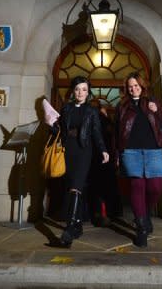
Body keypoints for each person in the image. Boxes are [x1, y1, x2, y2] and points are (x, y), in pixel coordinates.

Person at [50, 76, 109, 247]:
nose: (80, 92)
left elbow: (97, 132)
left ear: (88, 92)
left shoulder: (91, 111)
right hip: (68, 151)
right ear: (73, 91)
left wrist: (103, 150)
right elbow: (60, 130)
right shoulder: (66, 108)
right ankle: (77, 226)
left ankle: (68, 230)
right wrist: (51, 125)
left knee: (76, 186)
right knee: (72, 188)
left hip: (84, 151)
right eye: (77, 89)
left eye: (84, 89)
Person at [114, 72, 162, 247]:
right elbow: (116, 133)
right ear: (127, 89)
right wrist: (116, 154)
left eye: (136, 85)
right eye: (130, 86)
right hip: (130, 152)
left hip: (154, 151)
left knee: (156, 187)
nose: (133, 89)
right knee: (137, 186)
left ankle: (144, 213)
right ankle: (141, 228)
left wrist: (157, 110)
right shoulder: (122, 106)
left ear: (142, 86)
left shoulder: (151, 101)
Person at [87, 100, 121, 227]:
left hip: (94, 158)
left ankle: (97, 214)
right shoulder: (107, 121)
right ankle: (108, 213)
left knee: (95, 188)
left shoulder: (90, 119)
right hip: (107, 158)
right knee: (107, 188)